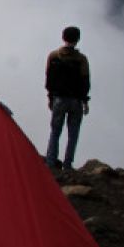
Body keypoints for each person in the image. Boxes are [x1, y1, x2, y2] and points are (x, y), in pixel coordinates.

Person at [45, 26, 91, 172]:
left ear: (63, 37)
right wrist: (85, 101)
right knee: (73, 134)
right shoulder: (81, 59)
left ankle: (51, 162)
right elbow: (85, 83)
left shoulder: (53, 56)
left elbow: (49, 80)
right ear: (77, 40)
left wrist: (50, 97)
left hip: (58, 99)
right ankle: (67, 164)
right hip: (76, 101)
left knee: (55, 131)